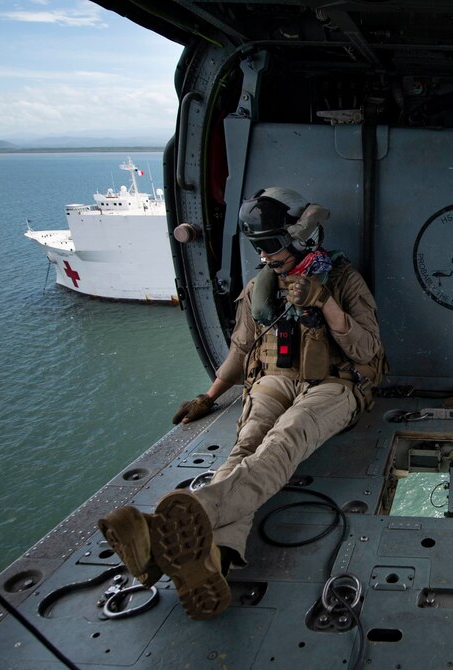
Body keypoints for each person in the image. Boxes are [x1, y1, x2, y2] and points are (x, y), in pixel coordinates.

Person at [99, 187, 385, 620]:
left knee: (283, 441)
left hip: (334, 385)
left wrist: (324, 303)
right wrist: (209, 395)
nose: (271, 261)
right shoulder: (261, 287)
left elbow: (368, 350)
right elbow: (240, 349)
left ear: (302, 239)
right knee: (246, 446)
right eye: (265, 254)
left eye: (277, 253)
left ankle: (170, 526)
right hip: (273, 380)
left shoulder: (343, 279)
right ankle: (212, 559)